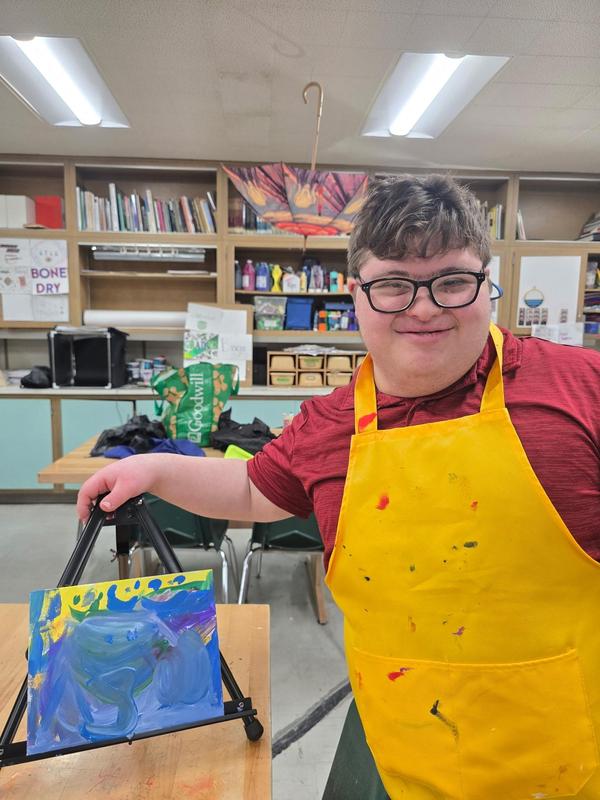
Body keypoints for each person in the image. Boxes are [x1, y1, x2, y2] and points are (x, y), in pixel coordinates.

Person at [78, 174, 600, 800]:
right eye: (393, 284)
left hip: (569, 762)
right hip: (403, 746)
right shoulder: (328, 425)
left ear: (488, 285)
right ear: (356, 294)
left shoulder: (581, 390)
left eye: (453, 280)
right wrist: (154, 469)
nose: (424, 307)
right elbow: (251, 490)